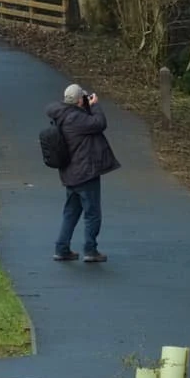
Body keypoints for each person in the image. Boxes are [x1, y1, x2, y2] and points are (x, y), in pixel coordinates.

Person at [47, 82, 120, 263]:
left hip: (70, 174)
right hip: (85, 173)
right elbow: (99, 123)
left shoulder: (62, 116)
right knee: (92, 213)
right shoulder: (77, 119)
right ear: (80, 100)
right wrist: (95, 105)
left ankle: (61, 248)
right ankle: (90, 250)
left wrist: (86, 107)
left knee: (70, 212)